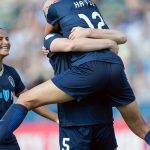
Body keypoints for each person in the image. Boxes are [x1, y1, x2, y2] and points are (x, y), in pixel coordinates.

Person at [0, 0, 149, 147]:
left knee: (26, 99)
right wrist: (108, 42)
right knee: (141, 127)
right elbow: (119, 38)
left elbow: (72, 45)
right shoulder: (82, 34)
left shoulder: (56, 35)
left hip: (76, 118)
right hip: (110, 85)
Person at [42, 27, 126, 150]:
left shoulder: (91, 32)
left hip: (102, 116)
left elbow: (119, 42)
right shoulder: (53, 37)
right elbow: (70, 45)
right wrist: (108, 43)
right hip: (74, 120)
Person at [0, 27, 58, 149]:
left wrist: (57, 119)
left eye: (7, 39)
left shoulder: (11, 73)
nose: (6, 42)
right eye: (0, 39)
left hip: (7, 138)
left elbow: (30, 100)